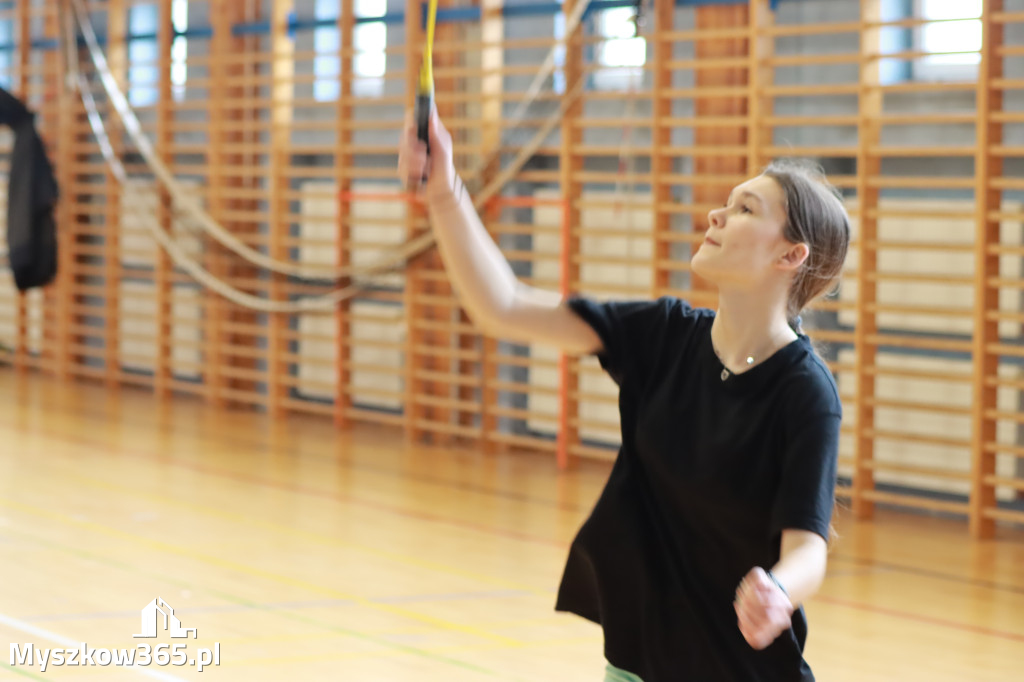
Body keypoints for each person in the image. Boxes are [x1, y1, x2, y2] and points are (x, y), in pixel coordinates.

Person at [398, 108, 849, 682]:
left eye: (745, 209)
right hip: (635, 666)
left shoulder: (805, 392)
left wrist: (778, 591)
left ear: (790, 256)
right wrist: (445, 193)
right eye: (729, 201)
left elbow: (808, 547)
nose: (717, 213)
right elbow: (504, 305)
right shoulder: (662, 335)